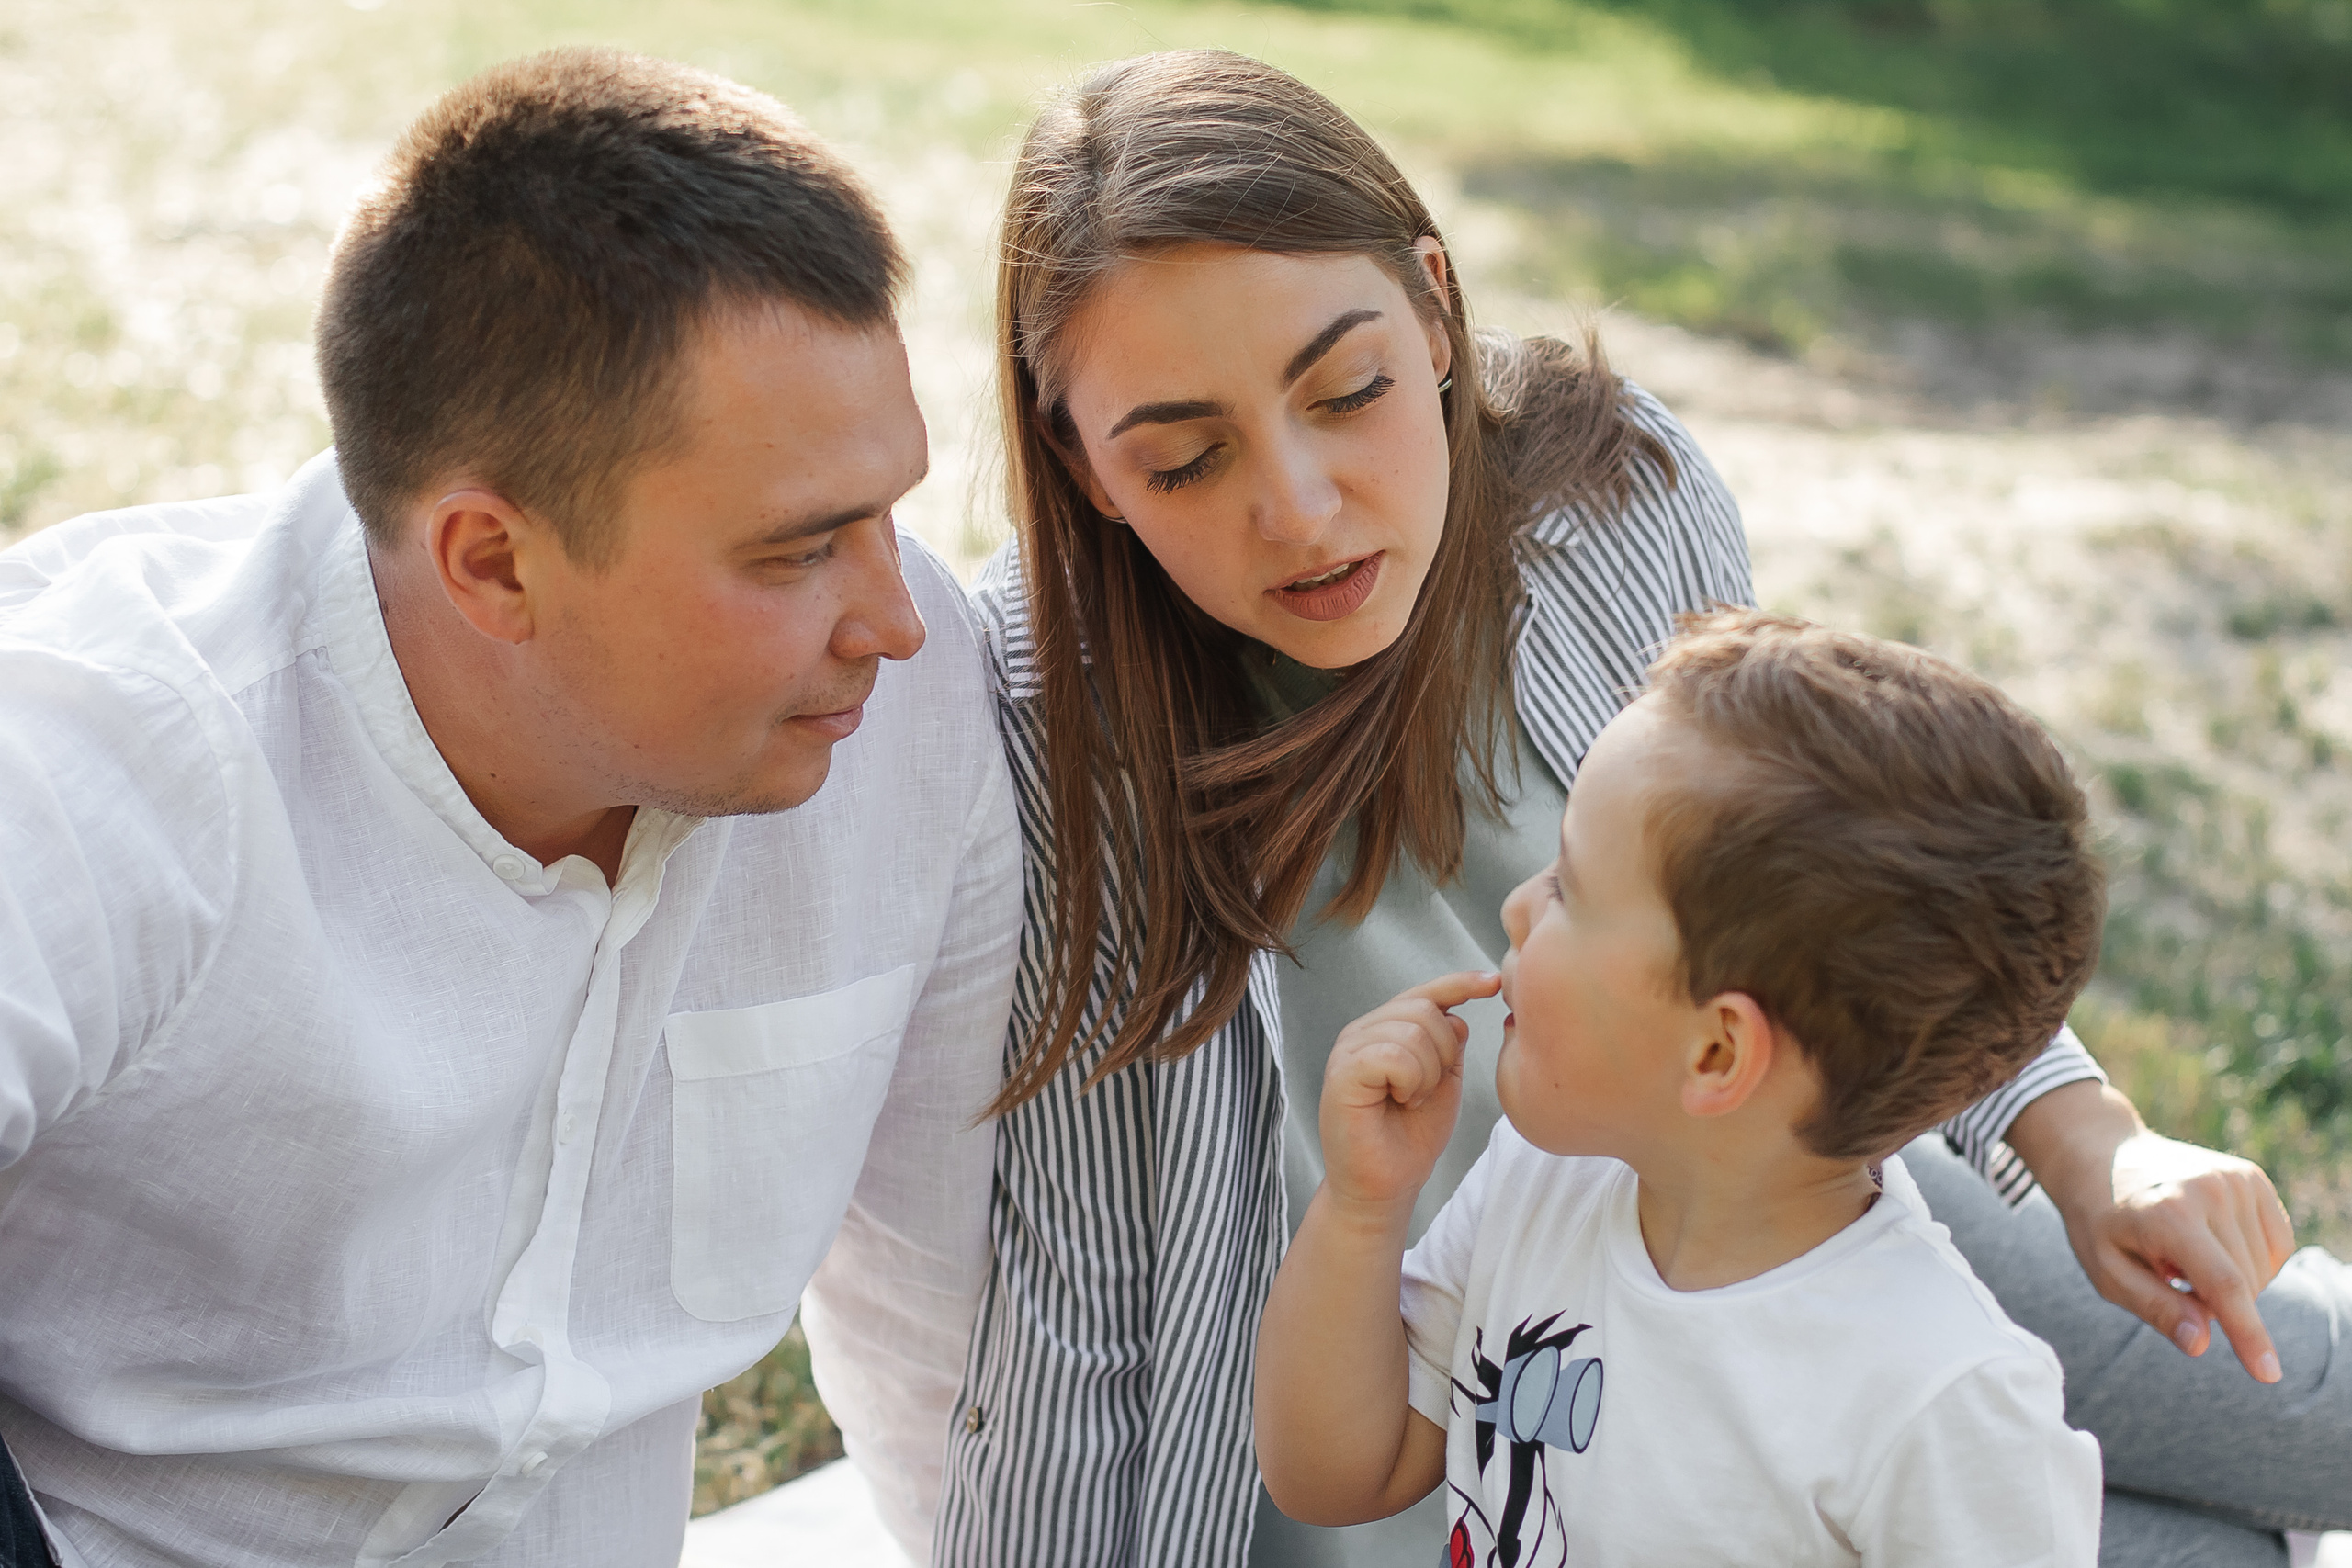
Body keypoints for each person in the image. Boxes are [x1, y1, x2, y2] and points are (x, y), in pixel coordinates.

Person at [933, 47, 2351, 1568]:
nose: (1299, 505)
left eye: (1348, 390)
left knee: (2311, 1407)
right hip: (1489, 1397)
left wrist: (2090, 1141)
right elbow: (1080, 1309)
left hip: (1787, 1213)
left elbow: (1847, 871)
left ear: (1433, 306)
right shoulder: (1037, 736)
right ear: (1083, 464)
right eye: (1186, 459)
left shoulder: (1613, 494)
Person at [0, 49, 1016, 1568]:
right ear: (492, 562)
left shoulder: (910, 725)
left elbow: (954, 1343)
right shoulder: (110, 753)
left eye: (889, 513)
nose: (898, 618)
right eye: (799, 551)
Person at [1255, 610, 2108, 1565]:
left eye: (1568, 887)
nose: (1516, 905)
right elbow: (1334, 1475)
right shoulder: (1540, 1185)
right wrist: (1363, 1208)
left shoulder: (1943, 1405)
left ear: (1715, 1054)